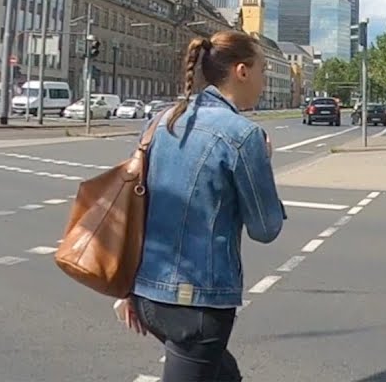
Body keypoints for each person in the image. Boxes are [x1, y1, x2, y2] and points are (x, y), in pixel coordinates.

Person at [114, 30, 285, 381]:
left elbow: (139, 207)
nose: (264, 81)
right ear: (241, 71)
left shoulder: (161, 121)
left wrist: (128, 290)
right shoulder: (242, 135)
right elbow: (265, 229)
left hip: (148, 295)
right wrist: (262, 165)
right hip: (198, 305)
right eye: (262, 70)